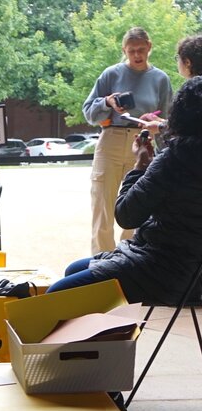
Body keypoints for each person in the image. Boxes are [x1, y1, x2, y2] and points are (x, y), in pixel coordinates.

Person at [49, 76, 202, 306]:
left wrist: (140, 164)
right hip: (193, 274)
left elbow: (126, 215)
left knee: (56, 295)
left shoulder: (175, 159)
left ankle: (100, 339)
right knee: (74, 270)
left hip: (160, 270)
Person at [82, 27, 173, 254]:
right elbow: (89, 112)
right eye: (131, 50)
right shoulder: (111, 74)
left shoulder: (160, 79)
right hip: (111, 138)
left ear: (149, 47)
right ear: (124, 50)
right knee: (103, 205)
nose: (136, 55)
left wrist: (155, 121)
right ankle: (101, 264)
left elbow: (170, 119)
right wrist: (107, 103)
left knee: (138, 204)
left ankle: (128, 261)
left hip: (144, 140)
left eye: (141, 49)